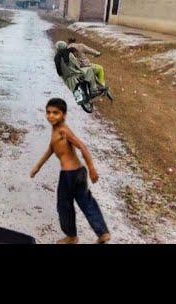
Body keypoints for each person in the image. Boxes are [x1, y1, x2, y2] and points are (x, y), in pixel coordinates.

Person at [30, 98, 111, 244]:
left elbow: (82, 147)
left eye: (56, 113)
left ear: (64, 115)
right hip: (78, 173)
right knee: (86, 202)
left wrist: (92, 169)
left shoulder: (63, 130)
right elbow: (51, 148)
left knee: (64, 205)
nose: (51, 116)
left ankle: (71, 237)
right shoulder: (56, 130)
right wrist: (38, 167)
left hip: (70, 175)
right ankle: (103, 233)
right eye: (48, 112)